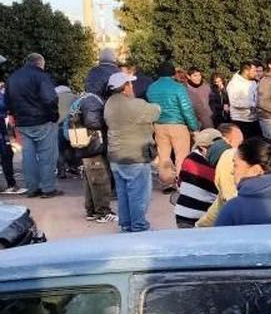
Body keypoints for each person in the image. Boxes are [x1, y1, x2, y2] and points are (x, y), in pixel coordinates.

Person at [103, 71, 161, 232]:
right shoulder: (134, 105)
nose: (132, 86)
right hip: (135, 155)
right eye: (130, 83)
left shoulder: (109, 104)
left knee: (123, 194)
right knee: (139, 194)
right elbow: (156, 111)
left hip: (115, 156)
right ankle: (139, 225)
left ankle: (126, 224)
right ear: (125, 87)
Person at [4, 54, 61, 197]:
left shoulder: (13, 78)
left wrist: (15, 115)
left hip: (22, 123)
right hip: (42, 121)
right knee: (47, 156)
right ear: (40, 64)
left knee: (28, 156)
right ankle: (48, 188)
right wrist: (54, 116)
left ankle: (32, 188)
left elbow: (7, 101)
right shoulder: (41, 76)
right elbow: (50, 98)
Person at [145, 62, 201, 193]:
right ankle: (182, 184)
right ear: (173, 73)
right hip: (178, 125)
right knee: (181, 155)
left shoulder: (151, 88)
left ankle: (167, 184)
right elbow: (186, 109)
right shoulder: (178, 87)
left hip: (159, 125)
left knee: (164, 155)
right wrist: (194, 127)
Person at [66, 88, 113, 222]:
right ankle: (103, 212)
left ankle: (91, 210)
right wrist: (105, 124)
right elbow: (92, 122)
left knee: (90, 181)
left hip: (84, 145)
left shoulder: (83, 99)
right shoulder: (93, 100)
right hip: (92, 146)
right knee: (100, 180)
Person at [196, 123, 244, 227]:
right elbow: (222, 201)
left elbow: (229, 201)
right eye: (239, 143)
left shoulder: (226, 159)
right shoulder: (230, 156)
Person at [174, 128, 222, 228]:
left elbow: (180, 182)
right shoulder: (212, 163)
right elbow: (220, 191)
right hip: (200, 216)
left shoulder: (189, 158)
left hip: (182, 213)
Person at [227, 60, 261, 138]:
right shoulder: (234, 84)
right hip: (241, 120)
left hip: (254, 119)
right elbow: (234, 102)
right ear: (246, 71)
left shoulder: (253, 82)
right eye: (254, 71)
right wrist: (252, 105)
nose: (256, 73)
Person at [0, 83, 22, 194]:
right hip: (3, 127)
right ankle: (11, 183)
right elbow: (5, 106)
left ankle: (11, 183)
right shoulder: (3, 97)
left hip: (4, 126)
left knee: (7, 154)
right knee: (6, 154)